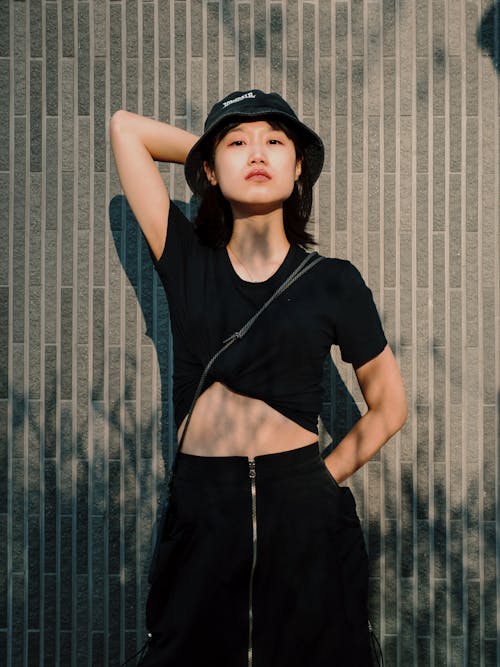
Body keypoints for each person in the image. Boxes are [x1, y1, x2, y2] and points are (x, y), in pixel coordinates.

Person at [110, 89, 407, 667]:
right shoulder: (185, 256)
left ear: (299, 170)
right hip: (204, 506)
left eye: (276, 141)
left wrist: (319, 479)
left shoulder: (334, 281)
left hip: (302, 507)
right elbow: (126, 130)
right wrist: (206, 152)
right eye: (237, 142)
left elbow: (389, 405)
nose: (257, 152)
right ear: (209, 169)